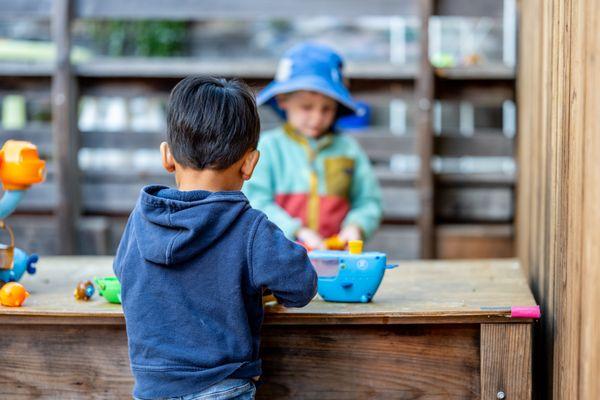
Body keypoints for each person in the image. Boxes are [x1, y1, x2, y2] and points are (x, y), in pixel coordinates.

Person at [113, 76, 317, 400]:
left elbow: (125, 273)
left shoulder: (140, 220)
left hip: (152, 388)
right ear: (250, 163)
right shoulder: (250, 228)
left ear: (167, 156)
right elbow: (301, 286)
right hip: (224, 387)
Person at [243, 42, 382, 250]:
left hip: (336, 257)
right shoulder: (269, 148)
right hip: (278, 256)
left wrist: (357, 225)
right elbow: (255, 201)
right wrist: (297, 231)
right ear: (283, 101)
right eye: (307, 107)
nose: (317, 118)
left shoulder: (349, 149)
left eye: (327, 109)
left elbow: (369, 201)